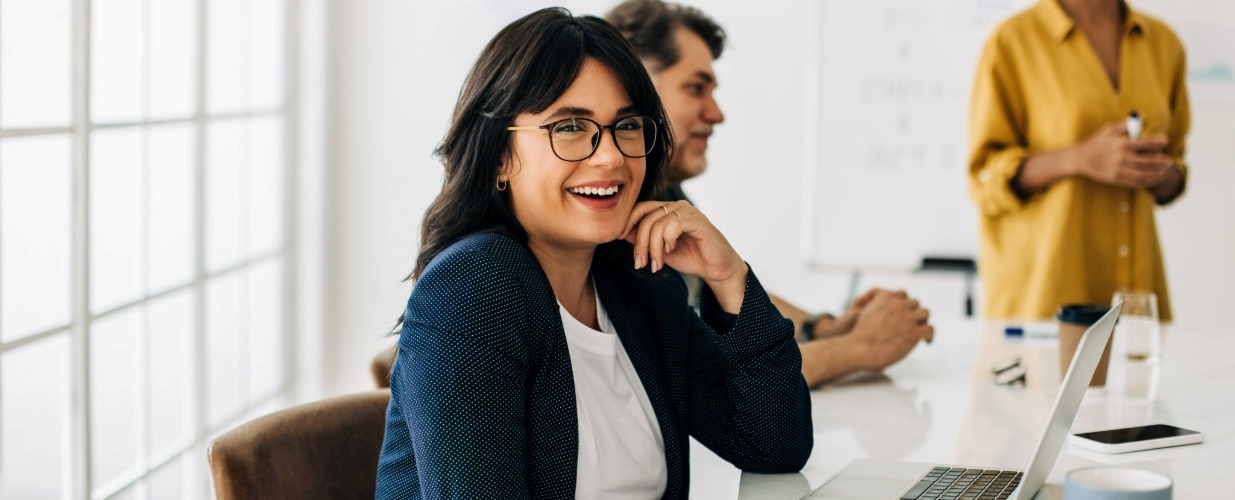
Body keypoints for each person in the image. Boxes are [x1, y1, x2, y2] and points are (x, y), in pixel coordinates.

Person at [375, 8, 811, 499]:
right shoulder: (474, 286)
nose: (610, 157)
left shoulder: (640, 287)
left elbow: (774, 446)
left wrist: (729, 277)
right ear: (500, 155)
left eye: (626, 125)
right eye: (569, 128)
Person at [605, 0, 934, 388]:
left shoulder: (660, 191)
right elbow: (708, 374)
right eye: (696, 88)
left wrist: (825, 328)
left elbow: (723, 294)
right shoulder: (609, 212)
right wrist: (861, 347)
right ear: (635, 87)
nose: (717, 113)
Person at [968, 0, 1189, 320]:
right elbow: (984, 179)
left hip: (1137, 299)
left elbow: (1177, 169)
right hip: (1045, 296)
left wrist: (1158, 172)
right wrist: (1079, 159)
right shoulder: (1012, 41)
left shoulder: (1163, 43)